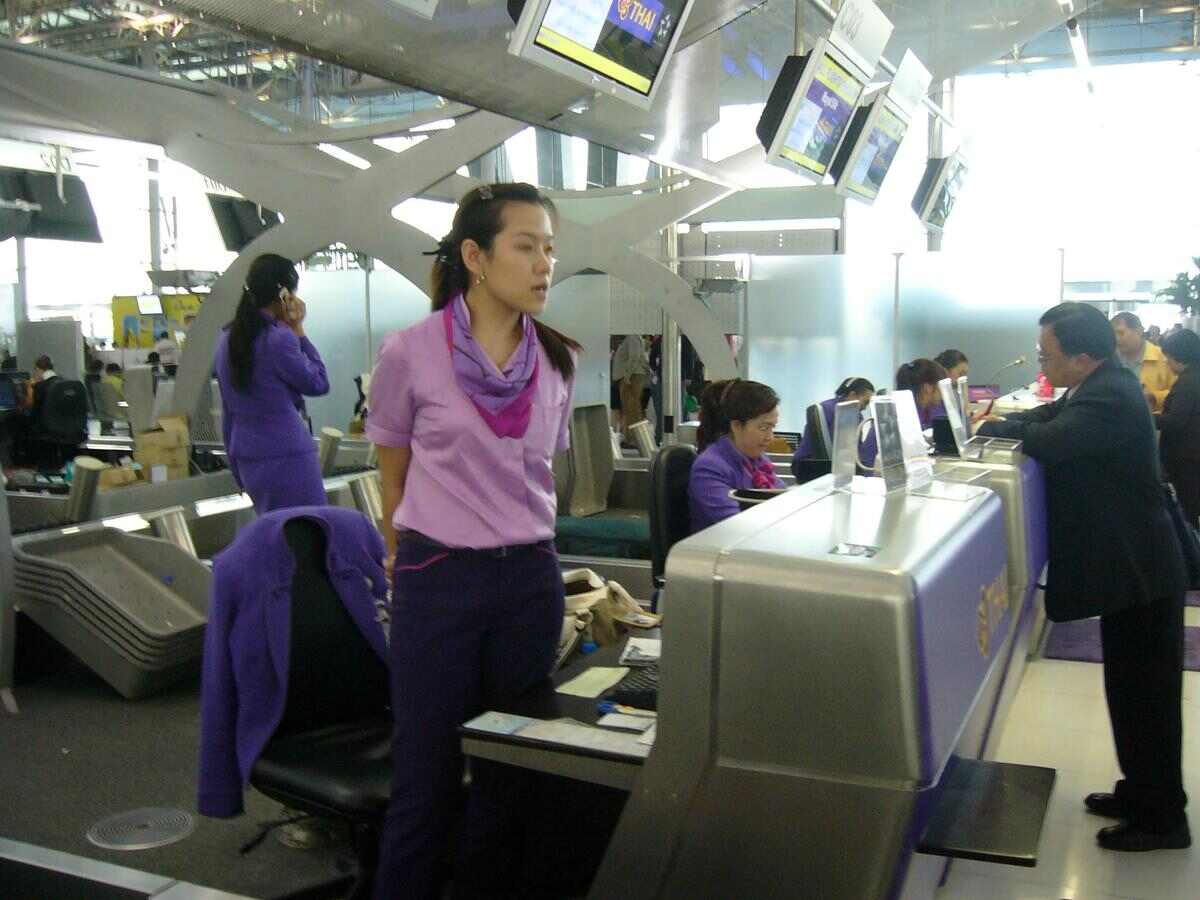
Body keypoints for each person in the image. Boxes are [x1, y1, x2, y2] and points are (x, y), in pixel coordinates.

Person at [367, 183, 579, 900]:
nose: (544, 262)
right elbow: (391, 468)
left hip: (528, 582)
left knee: (511, 775)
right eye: (526, 246)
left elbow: (543, 471)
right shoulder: (411, 353)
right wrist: (403, 559)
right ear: (475, 257)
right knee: (424, 778)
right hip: (440, 576)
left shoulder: (555, 361)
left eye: (550, 248)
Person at [978, 302, 1188, 852]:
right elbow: (1046, 420)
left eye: (1049, 353)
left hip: (1141, 569)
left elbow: (1053, 439)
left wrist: (1000, 427)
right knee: (1129, 689)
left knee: (1148, 699)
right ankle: (1140, 792)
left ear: (1082, 356)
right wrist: (1001, 423)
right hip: (1130, 569)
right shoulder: (1097, 386)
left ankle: (1164, 819)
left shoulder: (1112, 397)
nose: (1043, 362)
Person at [214, 253, 330, 514]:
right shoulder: (279, 339)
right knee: (310, 535)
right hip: (288, 456)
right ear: (284, 295)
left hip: (248, 458)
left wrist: (236, 465)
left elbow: (228, 413)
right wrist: (298, 329)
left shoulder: (226, 340)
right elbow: (318, 383)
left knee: (276, 537)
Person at [688, 378, 784, 532]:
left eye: (772, 427)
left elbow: (782, 500)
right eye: (763, 427)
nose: (770, 437)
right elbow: (736, 526)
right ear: (737, 426)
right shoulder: (710, 467)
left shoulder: (758, 459)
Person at [1157, 328, 1200, 527]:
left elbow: (1175, 421)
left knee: (1186, 513)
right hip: (1191, 457)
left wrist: (1146, 418)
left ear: (1177, 356)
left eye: (1168, 357)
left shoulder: (1188, 382)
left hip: (1186, 460)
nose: (1166, 362)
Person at [793, 376, 877, 470]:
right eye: (865, 402)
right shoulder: (829, 410)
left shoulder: (855, 416)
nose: (865, 408)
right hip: (808, 465)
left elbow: (856, 449)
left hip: (828, 467)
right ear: (853, 395)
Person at [1112, 312, 1175, 412]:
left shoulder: (1164, 358)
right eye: (1113, 334)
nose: (1116, 339)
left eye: (1121, 333)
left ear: (1139, 331)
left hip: (1154, 423)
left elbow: (1181, 393)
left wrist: (1154, 398)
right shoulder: (1109, 360)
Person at [612, 333, 651, 440]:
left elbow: (634, 356)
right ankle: (632, 438)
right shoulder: (634, 338)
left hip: (632, 377)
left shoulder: (632, 337)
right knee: (632, 409)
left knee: (631, 410)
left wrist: (627, 375)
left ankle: (632, 439)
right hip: (633, 376)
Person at [895, 358, 949, 429]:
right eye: (941, 388)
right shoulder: (904, 418)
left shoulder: (926, 409)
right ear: (928, 388)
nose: (943, 394)